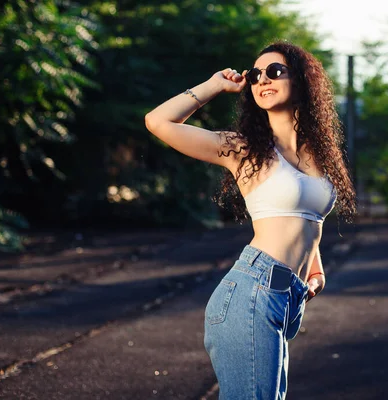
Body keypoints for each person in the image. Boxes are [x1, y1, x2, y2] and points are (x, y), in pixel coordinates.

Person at [145, 41, 356, 399]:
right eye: (255, 75)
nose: (262, 80)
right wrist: (214, 85)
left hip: (286, 296)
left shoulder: (318, 153)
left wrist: (314, 271)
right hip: (252, 292)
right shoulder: (245, 150)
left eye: (274, 71)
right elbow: (158, 121)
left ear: (302, 81)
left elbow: (306, 218)